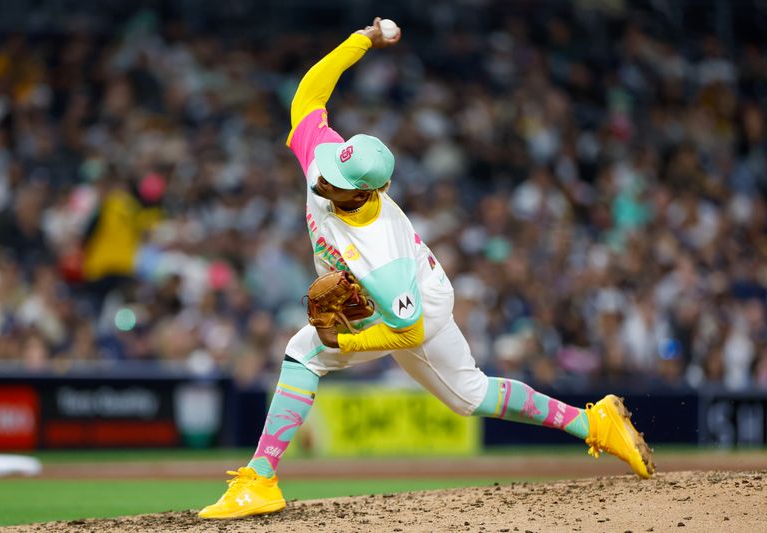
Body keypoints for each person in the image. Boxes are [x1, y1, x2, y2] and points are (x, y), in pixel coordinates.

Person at [198, 18, 655, 520]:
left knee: (304, 352)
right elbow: (309, 94)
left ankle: (260, 479)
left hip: (416, 305)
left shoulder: (381, 253)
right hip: (415, 287)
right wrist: (363, 41)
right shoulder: (326, 160)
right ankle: (595, 424)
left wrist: (345, 342)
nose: (321, 179)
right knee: (470, 394)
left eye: (336, 181)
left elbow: (408, 328)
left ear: (365, 192)